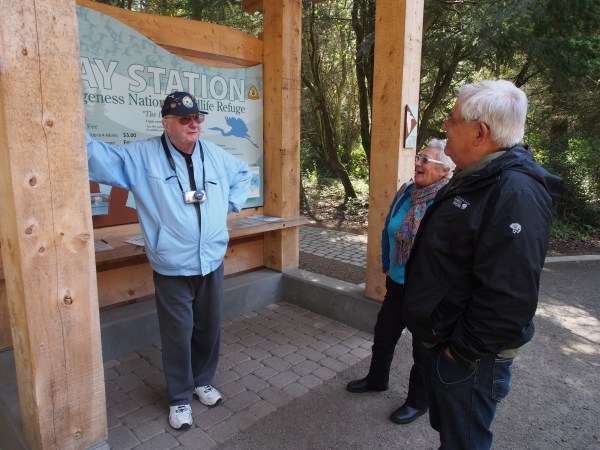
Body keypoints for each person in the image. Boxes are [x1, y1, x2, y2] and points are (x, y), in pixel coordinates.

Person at [403, 80, 563, 449]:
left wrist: (458, 353)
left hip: (470, 359)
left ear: (480, 133)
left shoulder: (514, 192)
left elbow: (510, 299)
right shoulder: (478, 177)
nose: (445, 125)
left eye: (452, 118)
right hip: (450, 345)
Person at [85, 91, 251, 430]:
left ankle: (202, 381)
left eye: (197, 118)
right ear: (166, 123)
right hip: (172, 265)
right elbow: (94, 157)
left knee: (208, 328)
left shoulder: (215, 154)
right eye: (184, 119)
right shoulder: (141, 156)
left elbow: (243, 173)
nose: (193, 124)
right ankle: (178, 398)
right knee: (178, 334)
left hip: (211, 261)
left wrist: (230, 203)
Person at [346, 139, 455, 425]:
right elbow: (388, 228)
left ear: (445, 171)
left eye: (426, 160)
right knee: (383, 335)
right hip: (397, 282)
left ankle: (418, 401)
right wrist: (386, 265)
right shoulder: (407, 190)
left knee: (422, 349)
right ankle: (376, 379)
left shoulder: (448, 200)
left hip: (426, 291)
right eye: (419, 157)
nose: (418, 163)